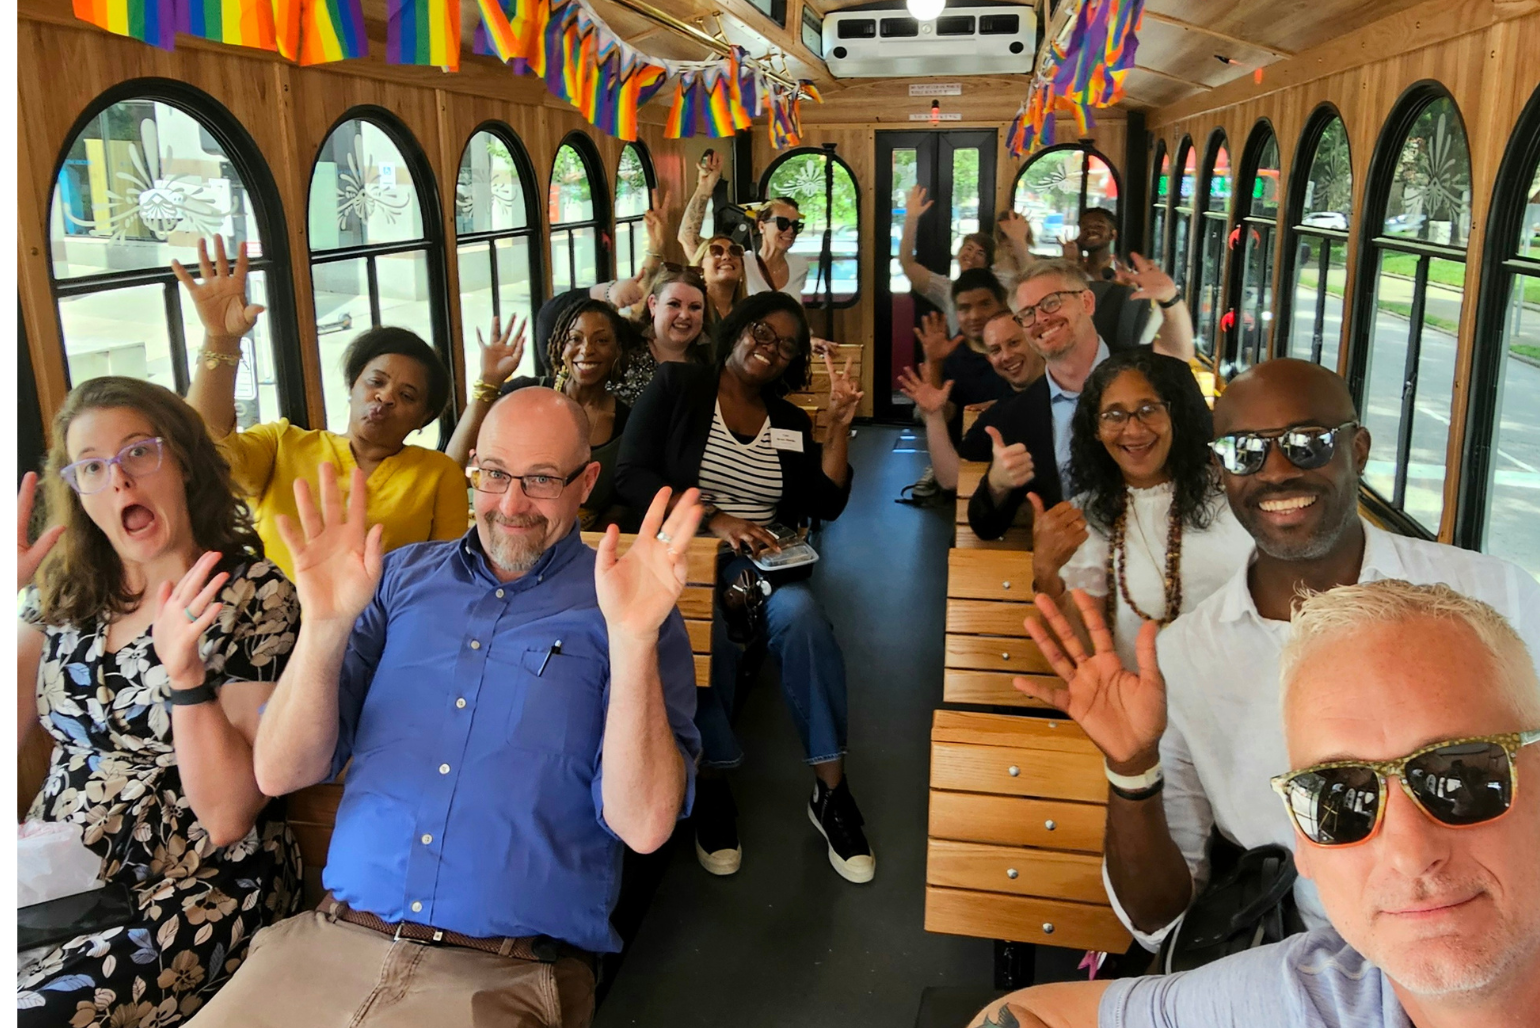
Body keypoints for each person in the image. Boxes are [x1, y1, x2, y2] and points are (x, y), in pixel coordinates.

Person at [186, 392, 703, 1028]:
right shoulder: (398, 580)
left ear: (585, 481)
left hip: (503, 972)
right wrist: (323, 624)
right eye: (492, 474)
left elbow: (645, 825)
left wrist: (632, 639)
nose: (511, 505)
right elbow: (280, 772)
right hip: (328, 943)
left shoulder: (630, 606)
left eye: (540, 479)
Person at [1018, 358, 1540, 954]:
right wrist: (1131, 769)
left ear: (1359, 449)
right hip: (1307, 963)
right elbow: (1158, 919)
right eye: (1245, 452)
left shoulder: (1494, 597)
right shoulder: (1186, 658)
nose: (1277, 471)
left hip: (1507, 934)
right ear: (1221, 468)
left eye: (1309, 443)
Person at [972, 579, 1540, 1027]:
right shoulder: (1306, 1000)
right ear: (1303, 843)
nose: (1410, 853)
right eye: (1338, 798)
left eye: (1461, 778)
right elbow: (1031, 1015)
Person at [16, 377, 301, 1022]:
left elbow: (229, 814)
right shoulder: (61, 591)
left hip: (195, 887)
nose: (118, 480)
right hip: (57, 877)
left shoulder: (256, 594)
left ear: (183, 460)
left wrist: (186, 676)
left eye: (138, 452)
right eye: (92, 466)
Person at [614, 291, 873, 884]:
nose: (770, 349)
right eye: (762, 331)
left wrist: (837, 427)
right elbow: (633, 475)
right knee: (708, 633)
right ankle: (712, 782)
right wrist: (714, 520)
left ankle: (831, 791)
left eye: (785, 346)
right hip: (685, 558)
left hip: (763, 566)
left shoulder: (786, 422)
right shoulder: (677, 388)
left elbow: (825, 502)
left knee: (804, 616)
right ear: (735, 328)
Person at [176, 238, 466, 580]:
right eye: (376, 382)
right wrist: (221, 340)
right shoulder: (283, 445)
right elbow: (206, 448)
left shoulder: (437, 474)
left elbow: (446, 577)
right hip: (277, 623)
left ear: (423, 419)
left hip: (383, 627)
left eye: (407, 396)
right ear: (352, 386)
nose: (385, 397)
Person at [1030, 348, 1253, 668]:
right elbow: (1081, 657)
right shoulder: (1083, 520)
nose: (1133, 430)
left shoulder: (1233, 493)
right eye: (1114, 415)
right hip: (1145, 711)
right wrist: (1046, 573)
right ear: (1096, 428)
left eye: (1148, 409)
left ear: (1176, 415)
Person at [967, 258, 1196, 541]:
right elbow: (985, 526)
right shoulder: (1018, 416)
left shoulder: (1144, 372)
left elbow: (1178, 352)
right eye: (1027, 313)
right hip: (1075, 566)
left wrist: (1170, 300)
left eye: (1051, 302)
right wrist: (997, 484)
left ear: (1087, 302)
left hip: (1165, 550)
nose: (1040, 318)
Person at [445, 301, 635, 530]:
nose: (587, 349)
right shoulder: (521, 393)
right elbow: (451, 469)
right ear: (559, 346)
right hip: (500, 523)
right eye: (574, 339)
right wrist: (489, 381)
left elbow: (622, 502)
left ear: (618, 349)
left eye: (601, 340)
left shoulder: (628, 421)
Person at [897, 310, 1043, 493]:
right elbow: (952, 478)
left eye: (1014, 343)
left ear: (1034, 340)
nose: (1006, 356)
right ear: (990, 359)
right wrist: (934, 415)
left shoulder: (1072, 386)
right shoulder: (998, 414)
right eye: (996, 350)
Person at [898, 185, 1028, 334]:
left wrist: (1019, 241)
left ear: (987, 264)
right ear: (959, 253)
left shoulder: (1001, 286)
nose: (971, 256)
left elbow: (1031, 279)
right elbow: (907, 264)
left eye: (980, 253)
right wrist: (911, 218)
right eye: (969, 248)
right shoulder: (947, 289)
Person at [612, 266, 717, 404]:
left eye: (695, 307)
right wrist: (610, 291)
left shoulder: (711, 364)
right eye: (674, 304)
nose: (684, 315)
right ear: (653, 305)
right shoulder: (624, 343)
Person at [744, 196, 810, 297]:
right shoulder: (745, 263)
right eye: (783, 223)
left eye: (796, 225)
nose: (791, 230)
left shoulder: (799, 265)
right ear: (762, 226)